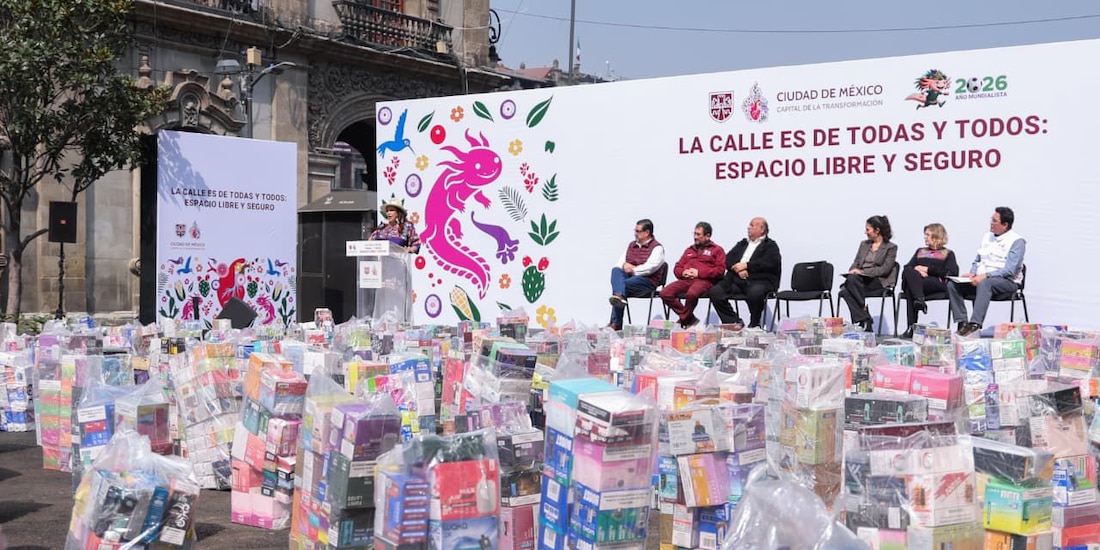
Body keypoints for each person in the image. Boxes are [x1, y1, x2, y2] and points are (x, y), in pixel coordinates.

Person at [949, 207, 1026, 337]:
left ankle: (975, 325)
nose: (991, 223)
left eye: (995, 221)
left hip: (1007, 281)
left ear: (1005, 225)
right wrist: (973, 273)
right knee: (953, 285)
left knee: (986, 283)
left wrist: (985, 276)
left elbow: (1010, 270)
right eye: (991, 219)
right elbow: (978, 260)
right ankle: (962, 323)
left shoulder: (1017, 241)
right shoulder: (987, 237)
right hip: (982, 279)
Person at [705, 217, 781, 329]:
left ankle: (754, 324)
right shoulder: (742, 243)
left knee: (755, 293)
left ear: (761, 229)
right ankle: (734, 322)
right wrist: (737, 269)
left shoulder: (770, 245)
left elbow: (769, 263)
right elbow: (728, 259)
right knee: (715, 292)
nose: (748, 227)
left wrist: (746, 266)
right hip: (736, 278)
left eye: (752, 225)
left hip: (759, 280)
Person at [838, 215, 898, 332]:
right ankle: (865, 318)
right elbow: (856, 262)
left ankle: (863, 314)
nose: (865, 232)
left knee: (848, 288)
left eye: (868, 229)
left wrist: (862, 272)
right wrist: (853, 270)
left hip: (878, 281)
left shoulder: (891, 247)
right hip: (859, 281)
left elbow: (884, 270)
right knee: (847, 287)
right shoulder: (864, 244)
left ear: (877, 230)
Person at [660, 222, 726, 328]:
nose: (695, 237)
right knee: (665, 293)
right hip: (686, 280)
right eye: (694, 234)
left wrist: (699, 273)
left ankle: (683, 320)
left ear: (707, 236)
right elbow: (677, 267)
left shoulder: (717, 250)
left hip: (705, 281)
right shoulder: (689, 250)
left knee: (692, 294)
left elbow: (720, 270)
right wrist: (682, 272)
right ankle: (689, 318)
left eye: (698, 234)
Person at [900, 223, 959, 338]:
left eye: (928, 235)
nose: (925, 237)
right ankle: (919, 300)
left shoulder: (948, 254)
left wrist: (927, 270)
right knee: (909, 274)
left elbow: (950, 273)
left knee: (910, 288)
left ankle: (911, 327)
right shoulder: (920, 251)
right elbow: (908, 267)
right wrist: (918, 272)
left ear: (936, 236)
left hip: (936, 283)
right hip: (918, 283)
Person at [607, 219, 665, 331]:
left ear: (647, 233)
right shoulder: (631, 245)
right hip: (630, 280)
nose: (635, 233)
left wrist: (633, 270)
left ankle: (615, 323)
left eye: (638, 231)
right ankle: (619, 297)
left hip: (647, 281)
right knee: (616, 271)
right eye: (635, 230)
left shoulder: (657, 248)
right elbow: (620, 263)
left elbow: (651, 267)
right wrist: (624, 265)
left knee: (620, 286)